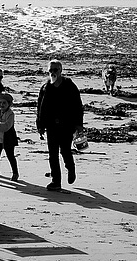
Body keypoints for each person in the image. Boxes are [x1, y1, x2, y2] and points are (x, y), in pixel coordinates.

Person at [36, 60, 84, 191]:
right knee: (52, 154)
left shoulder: (69, 85)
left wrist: (79, 124)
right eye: (50, 70)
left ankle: (71, 167)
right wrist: (40, 125)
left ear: (61, 70)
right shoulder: (46, 87)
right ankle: (56, 181)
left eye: (55, 70)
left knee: (65, 151)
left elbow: (78, 106)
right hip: (51, 126)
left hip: (67, 125)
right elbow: (40, 107)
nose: (53, 73)